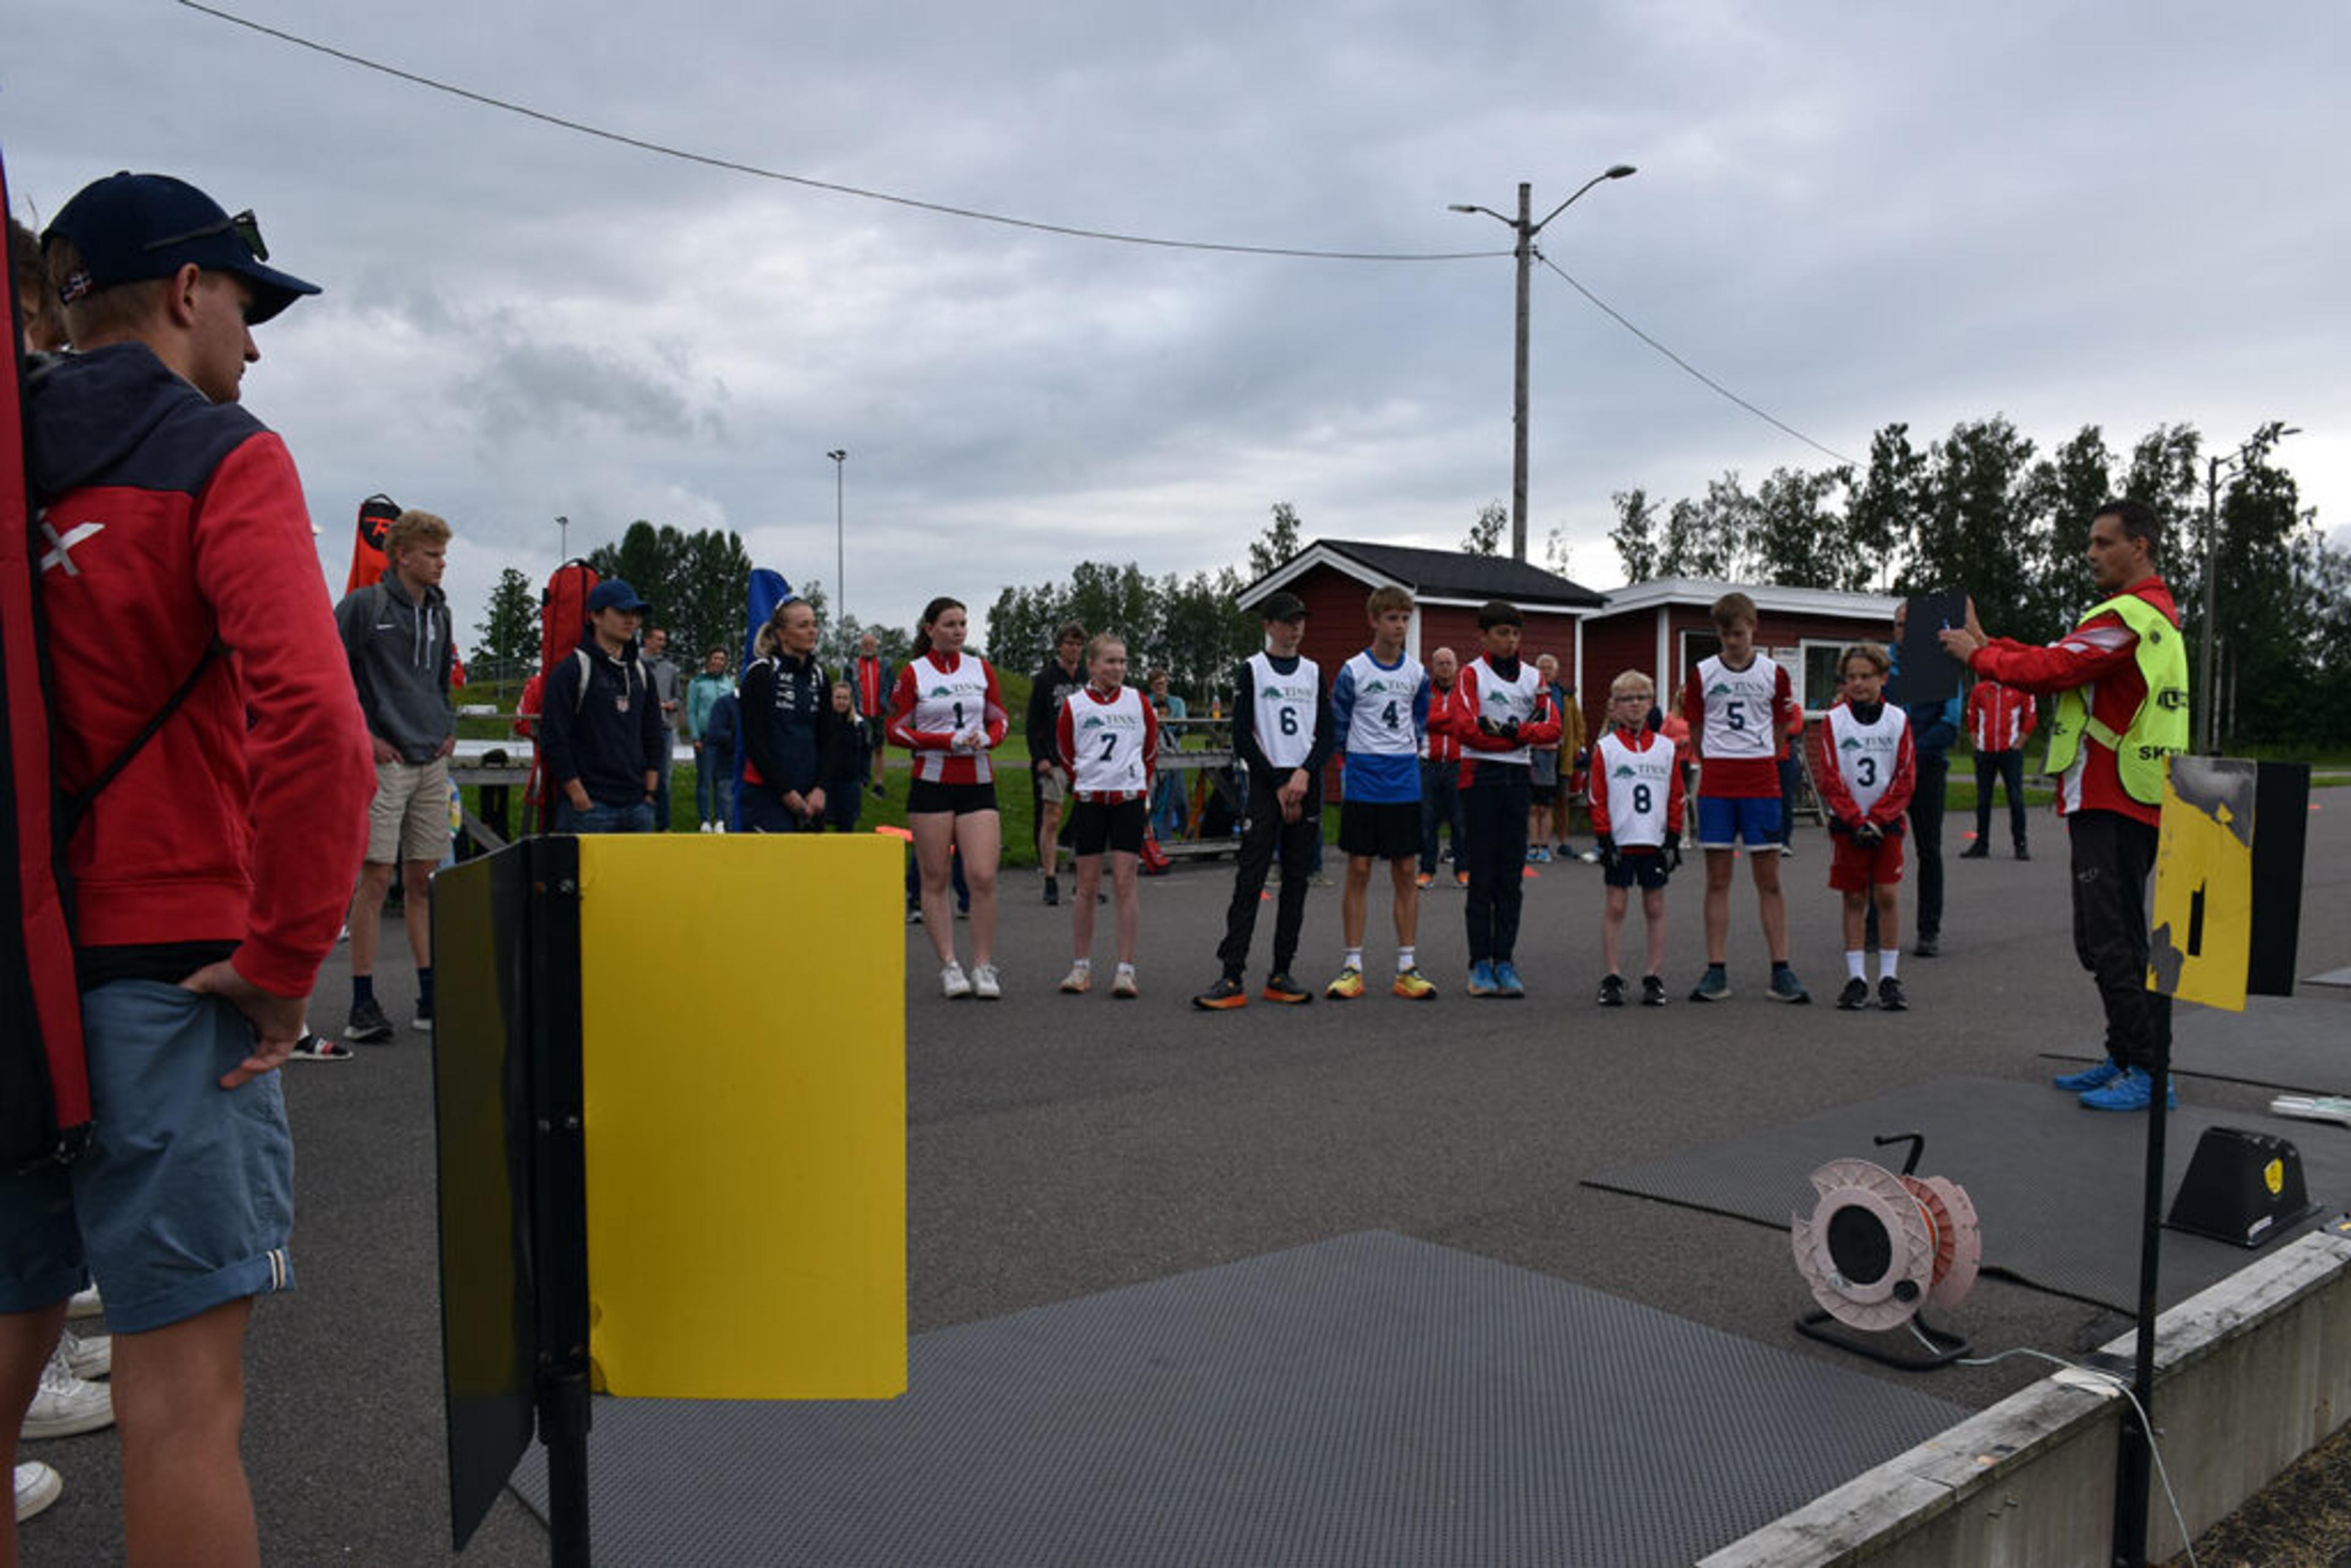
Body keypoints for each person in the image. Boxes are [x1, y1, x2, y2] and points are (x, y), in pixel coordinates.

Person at [8, 168, 373, 1566]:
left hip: (14, 978)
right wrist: (283, 958)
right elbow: (319, 730)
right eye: (244, 305)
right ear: (182, 291)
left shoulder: (14, 451)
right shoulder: (223, 454)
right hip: (168, 975)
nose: (254, 345)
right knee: (180, 1413)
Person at [1940, 498, 2188, 1112]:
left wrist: (1977, 655)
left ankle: (2148, 1069)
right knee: (2103, 937)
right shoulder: (2140, 614)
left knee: (2113, 938)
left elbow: (2053, 668)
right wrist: (1986, 641)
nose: (2091, 553)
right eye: (2091, 542)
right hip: (2117, 792)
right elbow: (2060, 656)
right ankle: (2125, 1054)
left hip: (2115, 795)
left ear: (2140, 548)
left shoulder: (2130, 614)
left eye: (2104, 542)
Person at [334, 508, 456, 1043]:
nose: (441, 563)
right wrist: (364, 736)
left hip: (431, 757)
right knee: (376, 876)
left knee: (423, 879)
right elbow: (330, 671)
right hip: (385, 760)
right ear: (401, 554)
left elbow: (440, 678)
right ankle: (362, 1001)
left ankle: (429, 997)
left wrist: (448, 725)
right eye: (431, 554)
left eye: (443, 554)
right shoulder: (365, 606)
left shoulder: (441, 611)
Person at [1193, 593, 1333, 1008]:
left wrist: (1304, 773)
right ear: (1269, 625)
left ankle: (1281, 971)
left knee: (1296, 880)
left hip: (1304, 782)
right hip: (1266, 783)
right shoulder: (1252, 669)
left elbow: (1326, 733)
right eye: (1288, 621)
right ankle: (1231, 973)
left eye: (1300, 621)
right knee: (1251, 878)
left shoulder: (1313, 671)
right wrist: (1276, 782)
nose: (1296, 628)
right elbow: (1241, 735)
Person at [1682, 591, 1810, 1003]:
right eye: (1725, 635)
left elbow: (1781, 726)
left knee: (1769, 879)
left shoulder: (1774, 674)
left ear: (1753, 627)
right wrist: (1719, 758)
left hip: (1761, 781)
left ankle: (1782, 969)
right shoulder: (1703, 673)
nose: (1732, 641)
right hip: (1718, 782)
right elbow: (1697, 729)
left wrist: (1760, 755)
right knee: (1717, 879)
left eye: (1738, 633)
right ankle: (1716, 969)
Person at [888, 596, 1007, 998]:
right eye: (950, 624)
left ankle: (983, 965)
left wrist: (989, 738)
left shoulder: (980, 668)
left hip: (977, 780)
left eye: (963, 624)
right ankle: (950, 966)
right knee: (935, 876)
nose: (958, 631)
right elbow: (895, 729)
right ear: (930, 629)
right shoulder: (914, 673)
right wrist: (944, 740)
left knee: (982, 875)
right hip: (932, 782)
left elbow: (1000, 718)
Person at [1440, 601, 1560, 997]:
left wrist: (1511, 732)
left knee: (1510, 877)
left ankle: (1504, 960)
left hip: (1517, 779)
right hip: (1480, 779)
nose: (1510, 640)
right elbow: (1466, 729)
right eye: (1502, 633)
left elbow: (1552, 729)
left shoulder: (1534, 678)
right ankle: (1479, 963)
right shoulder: (1471, 674)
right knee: (1482, 876)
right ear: (1484, 635)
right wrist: (1519, 736)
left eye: (1515, 633)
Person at [1324, 588, 1436, 1000]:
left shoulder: (1417, 673)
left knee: (1406, 870)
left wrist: (1410, 754)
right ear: (1374, 621)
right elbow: (1339, 723)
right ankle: (1352, 965)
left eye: (1405, 618)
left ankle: (1407, 966)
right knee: (1359, 868)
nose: (1400, 626)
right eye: (1392, 618)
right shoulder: (1353, 671)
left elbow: (1419, 720)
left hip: (1403, 778)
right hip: (1364, 778)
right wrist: (1350, 763)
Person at [1812, 643, 1917, 1011]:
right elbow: (1830, 776)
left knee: (1886, 895)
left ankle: (1889, 976)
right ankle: (1856, 977)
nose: (1858, 683)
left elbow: (1905, 776)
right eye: (1851, 677)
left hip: (1886, 824)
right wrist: (1857, 820)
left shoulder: (1898, 720)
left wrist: (1879, 819)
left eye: (1866, 676)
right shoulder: (1834, 721)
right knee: (1854, 897)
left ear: (1883, 678)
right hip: (1849, 824)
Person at [1054, 636, 1158, 999]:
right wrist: (1088, 780)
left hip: (1128, 800)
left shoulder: (1138, 701)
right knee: (1086, 885)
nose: (1118, 668)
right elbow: (1065, 751)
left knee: (1125, 883)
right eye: (1110, 661)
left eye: (1123, 661)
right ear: (1093, 665)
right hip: (1090, 801)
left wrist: (1136, 784)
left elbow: (1150, 750)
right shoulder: (1075, 705)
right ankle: (1080, 967)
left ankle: (1126, 970)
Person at [540, 579, 667, 832]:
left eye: (636, 614)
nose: (631, 620)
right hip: (590, 807)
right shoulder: (572, 670)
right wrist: (578, 796)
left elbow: (653, 732)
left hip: (637, 805)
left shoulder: (641, 672)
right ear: (596, 616)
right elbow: (554, 738)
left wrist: (650, 793)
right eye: (622, 612)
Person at [1589, 670, 1684, 1007]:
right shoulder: (1607, 748)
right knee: (1616, 906)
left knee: (1655, 906)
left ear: (1651, 703)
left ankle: (1653, 975)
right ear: (1614, 706)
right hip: (1621, 839)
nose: (1634, 705)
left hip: (1653, 840)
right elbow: (1597, 796)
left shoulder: (1666, 748)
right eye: (1627, 699)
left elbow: (1676, 795)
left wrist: (1673, 837)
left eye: (1641, 698)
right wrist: (1605, 839)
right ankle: (1613, 975)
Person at [1887, 609, 1960, 956]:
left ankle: (1929, 931)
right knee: (1878, 845)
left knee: (1929, 850)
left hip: (1926, 767)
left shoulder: (1942, 668)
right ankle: (1874, 926)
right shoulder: (1881, 666)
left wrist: (1911, 755)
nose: (1905, 631)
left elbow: (1950, 723)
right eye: (1900, 625)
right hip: (1885, 770)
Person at [737, 598, 837, 834]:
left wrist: (821, 788)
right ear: (782, 634)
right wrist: (785, 792)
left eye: (814, 624)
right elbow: (754, 740)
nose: (812, 631)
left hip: (811, 797)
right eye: (803, 626)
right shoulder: (762, 672)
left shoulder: (819, 676)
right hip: (767, 795)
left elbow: (829, 737)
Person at [1026, 622, 1087, 907]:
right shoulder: (1045, 680)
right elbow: (1033, 723)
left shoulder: (1088, 678)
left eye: (1078, 645)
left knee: (1088, 817)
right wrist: (1040, 757)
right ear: (1059, 646)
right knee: (1051, 816)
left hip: (1083, 759)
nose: (1074, 649)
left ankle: (1082, 879)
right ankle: (1050, 877)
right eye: (1069, 644)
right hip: (1054, 758)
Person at [1963, 673, 2037, 860]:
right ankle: (1981, 844)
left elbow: (2030, 718)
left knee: (2015, 798)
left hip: (2010, 753)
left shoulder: (2021, 687)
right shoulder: (1980, 689)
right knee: (1983, 800)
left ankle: (2020, 844)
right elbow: (1972, 718)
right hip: (1985, 752)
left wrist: (2019, 744)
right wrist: (1976, 745)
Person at [1418, 647, 1468, 890]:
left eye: (1449, 663)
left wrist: (1439, 721)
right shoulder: (1424, 692)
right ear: (1433, 667)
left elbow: (1466, 722)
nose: (1445, 667)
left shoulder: (1465, 691)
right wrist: (1450, 719)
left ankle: (1463, 870)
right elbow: (1422, 720)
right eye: (1440, 663)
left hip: (1458, 765)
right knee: (1427, 822)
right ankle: (1427, 871)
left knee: (1460, 822)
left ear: (1456, 665)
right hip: (1429, 764)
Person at [684, 646, 733, 831]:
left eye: (722, 659)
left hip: (725, 739)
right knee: (704, 779)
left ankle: (720, 819)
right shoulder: (697, 683)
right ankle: (705, 820)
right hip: (706, 737)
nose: (718, 662)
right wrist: (695, 736)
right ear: (708, 660)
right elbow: (692, 711)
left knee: (722, 780)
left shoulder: (729, 683)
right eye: (715, 658)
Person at [640, 626, 681, 830]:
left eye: (664, 640)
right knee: (639, 773)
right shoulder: (634, 664)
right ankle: (638, 821)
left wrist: (668, 705)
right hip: (638, 728)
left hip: (663, 728)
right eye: (658, 639)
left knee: (663, 777)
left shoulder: (671, 669)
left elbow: (678, 699)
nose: (662, 644)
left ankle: (663, 825)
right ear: (646, 640)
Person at [1524, 653, 1563, 866]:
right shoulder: (1529, 695)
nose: (1545, 672)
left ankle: (1545, 847)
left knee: (1546, 807)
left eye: (1549, 668)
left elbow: (1560, 731)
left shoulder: (1561, 697)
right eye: (1542, 668)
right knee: (1532, 807)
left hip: (1550, 758)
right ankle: (1533, 846)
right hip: (1530, 756)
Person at [1146, 667, 1189, 842]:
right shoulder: (1145, 702)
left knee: (1179, 797)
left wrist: (1166, 725)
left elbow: (1183, 727)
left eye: (1163, 684)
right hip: (1152, 755)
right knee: (1155, 797)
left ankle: (1185, 831)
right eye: (1157, 685)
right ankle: (1154, 833)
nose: (1161, 688)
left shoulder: (1177, 703)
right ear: (1151, 686)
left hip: (1173, 753)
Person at [848, 631, 893, 796]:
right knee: (862, 747)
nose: (868, 647)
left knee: (879, 748)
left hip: (880, 713)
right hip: (860, 713)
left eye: (871, 644)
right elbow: (847, 689)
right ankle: (861, 781)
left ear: (876, 646)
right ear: (861, 646)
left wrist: (890, 707)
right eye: (865, 644)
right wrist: (851, 710)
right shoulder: (852, 666)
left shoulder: (885, 665)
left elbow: (892, 687)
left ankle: (879, 784)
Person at [822, 683, 871, 833]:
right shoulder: (823, 721)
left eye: (845, 698)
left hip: (850, 784)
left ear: (851, 701)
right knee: (819, 825)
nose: (841, 701)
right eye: (838, 697)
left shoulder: (859, 725)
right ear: (831, 699)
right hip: (826, 783)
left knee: (846, 828)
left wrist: (864, 778)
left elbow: (866, 753)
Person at [700, 680, 738, 833]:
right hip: (729, 771)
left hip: (756, 776)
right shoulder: (724, 704)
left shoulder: (761, 703)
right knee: (732, 822)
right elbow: (714, 733)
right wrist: (738, 738)